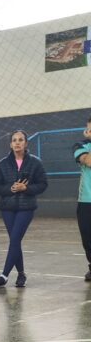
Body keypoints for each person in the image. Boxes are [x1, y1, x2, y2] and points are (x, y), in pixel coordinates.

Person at [0, 129, 48, 288]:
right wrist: (11, 189)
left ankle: (4, 276)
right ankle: (21, 274)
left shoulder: (36, 162)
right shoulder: (3, 163)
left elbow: (43, 184)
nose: (17, 143)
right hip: (7, 208)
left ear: (26, 143)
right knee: (15, 241)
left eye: (21, 140)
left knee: (14, 240)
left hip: (26, 207)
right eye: (14, 140)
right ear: (10, 144)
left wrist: (26, 189)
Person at [73, 116, 91, 281]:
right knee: (87, 238)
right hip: (86, 201)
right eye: (89, 129)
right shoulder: (81, 145)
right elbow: (89, 161)